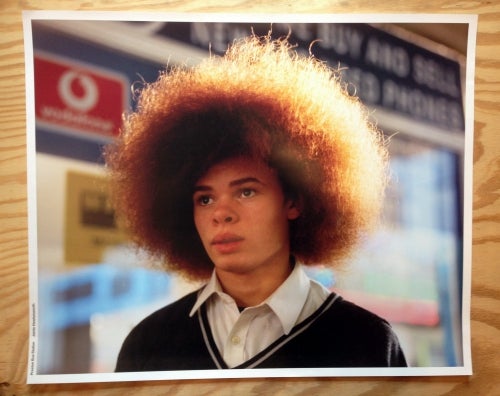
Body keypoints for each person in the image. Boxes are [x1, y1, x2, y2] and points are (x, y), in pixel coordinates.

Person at [105, 34, 407, 371]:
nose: (221, 214)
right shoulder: (148, 345)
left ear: (293, 200)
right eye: (204, 198)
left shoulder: (367, 343)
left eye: (246, 191)